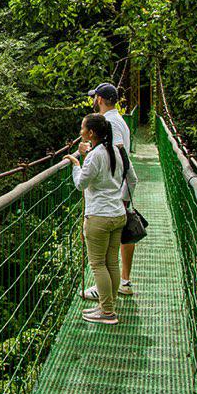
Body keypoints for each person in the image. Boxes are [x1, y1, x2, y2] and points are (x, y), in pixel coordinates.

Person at [63, 113, 137, 324]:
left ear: (91, 133)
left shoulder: (95, 156)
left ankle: (107, 312)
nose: (80, 132)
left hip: (99, 217)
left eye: (82, 128)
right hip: (117, 214)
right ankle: (107, 306)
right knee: (111, 262)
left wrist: (76, 164)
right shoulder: (115, 150)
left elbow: (81, 184)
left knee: (97, 264)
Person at [79, 82, 137, 301]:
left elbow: (116, 153)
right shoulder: (119, 119)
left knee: (100, 260)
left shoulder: (109, 122)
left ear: (100, 100)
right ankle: (122, 282)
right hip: (118, 192)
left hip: (111, 195)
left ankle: (105, 298)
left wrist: (87, 156)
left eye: (95, 98)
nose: (94, 101)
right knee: (110, 257)